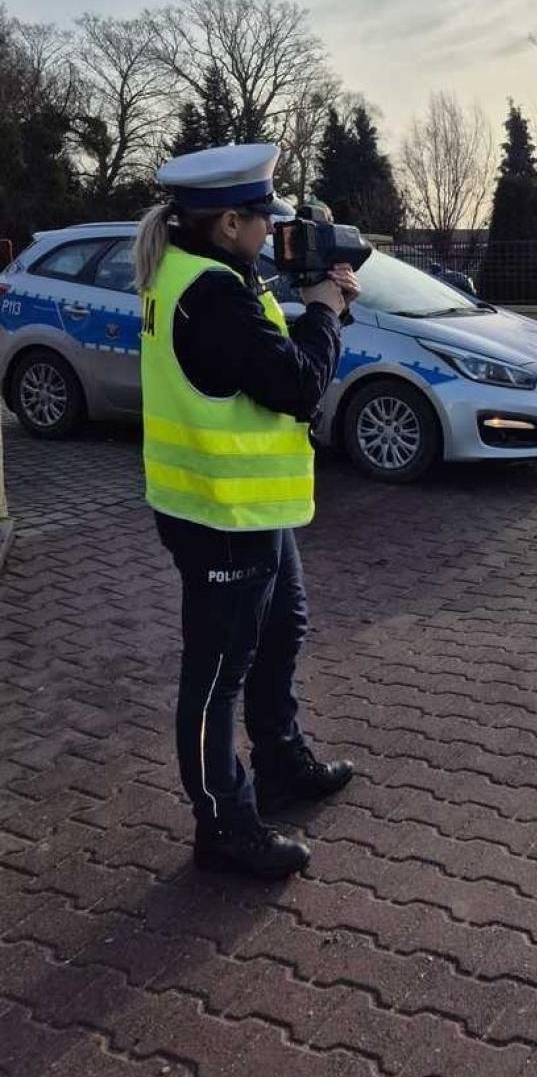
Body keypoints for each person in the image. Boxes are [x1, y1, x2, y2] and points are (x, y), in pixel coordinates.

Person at [133, 143, 359, 879]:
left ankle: (280, 761)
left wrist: (317, 306)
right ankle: (223, 824)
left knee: (281, 630)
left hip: (247, 510)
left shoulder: (211, 273)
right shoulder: (214, 293)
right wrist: (325, 312)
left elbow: (257, 366)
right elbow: (295, 386)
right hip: (218, 515)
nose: (274, 231)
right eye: (264, 219)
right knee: (217, 675)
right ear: (228, 221)